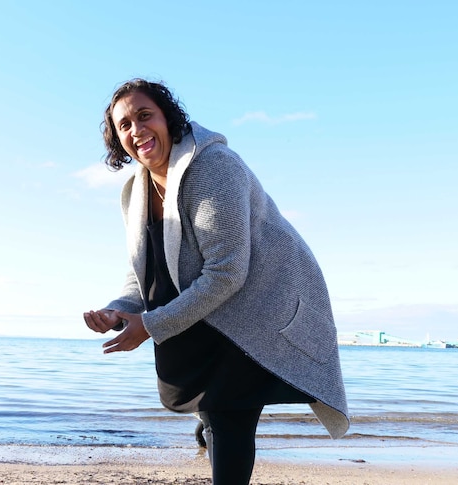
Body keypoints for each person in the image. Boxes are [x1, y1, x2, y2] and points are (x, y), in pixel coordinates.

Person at [83, 79, 349, 484]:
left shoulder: (212, 167)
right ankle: (206, 429)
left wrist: (150, 326)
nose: (136, 130)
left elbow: (227, 272)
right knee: (212, 408)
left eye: (144, 115)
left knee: (228, 413)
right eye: (124, 125)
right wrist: (119, 309)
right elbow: (144, 268)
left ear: (168, 119)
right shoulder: (135, 190)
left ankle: (214, 435)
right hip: (203, 306)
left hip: (258, 301)